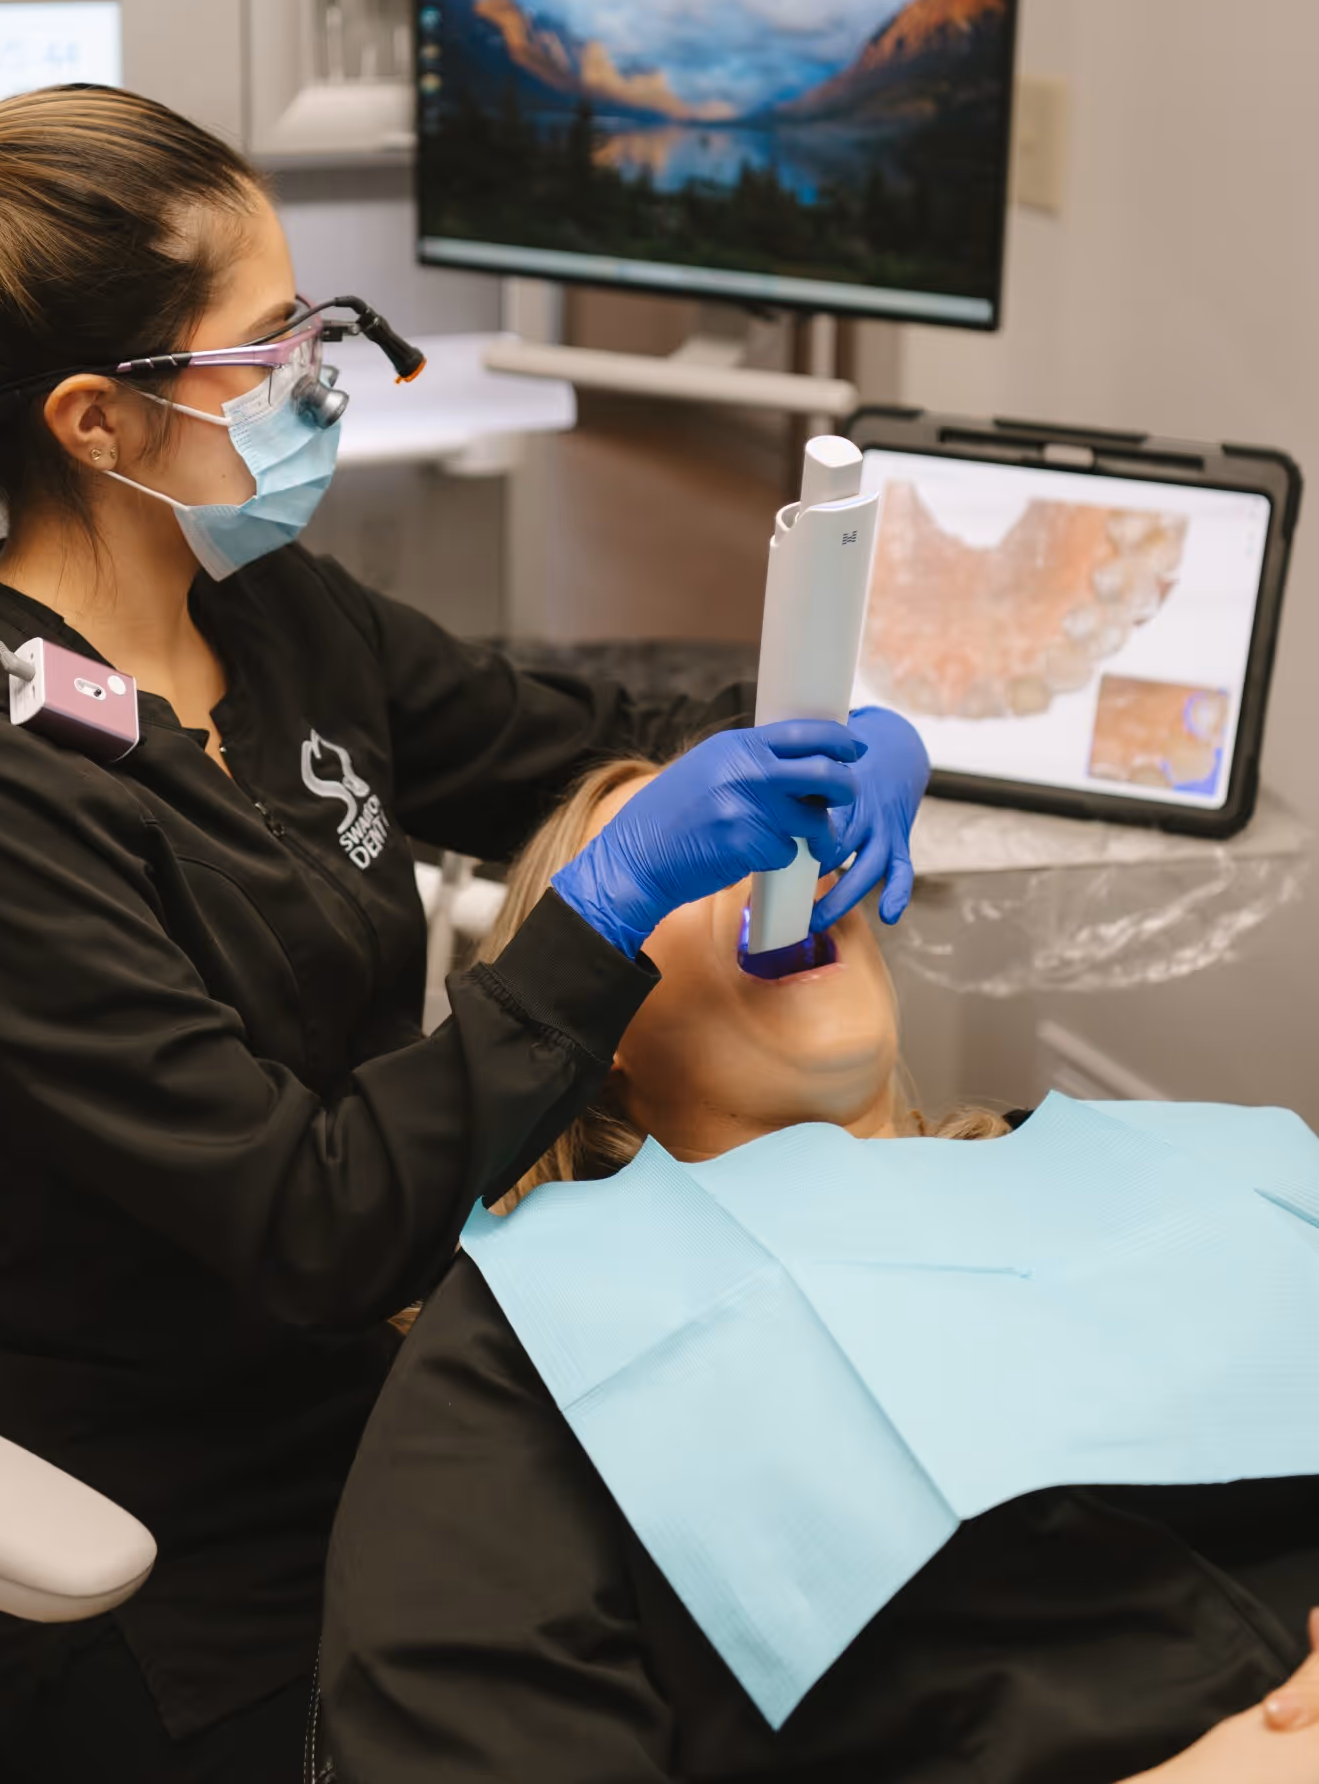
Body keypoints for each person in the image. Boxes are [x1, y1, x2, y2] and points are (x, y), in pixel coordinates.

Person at [0, 91, 926, 1783]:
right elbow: (312, 1217)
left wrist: (830, 729)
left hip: (398, 1397)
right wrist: (609, 904)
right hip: (161, 1536)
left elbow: (581, 726)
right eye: (270, 348)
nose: (321, 381)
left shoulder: (267, 613)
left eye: (316, 323)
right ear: (97, 422)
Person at [321, 754, 1319, 1784]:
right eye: (702, 847)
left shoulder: (1169, 1166)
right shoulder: (519, 1358)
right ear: (588, 1006)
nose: (774, 861)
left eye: (794, 825)